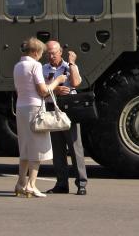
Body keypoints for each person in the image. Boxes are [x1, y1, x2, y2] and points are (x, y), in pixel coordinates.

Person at [13, 37, 67, 198]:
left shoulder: (17, 66)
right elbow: (43, 91)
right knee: (37, 149)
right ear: (36, 52)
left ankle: (20, 183)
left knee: (24, 148)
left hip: (20, 107)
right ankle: (31, 185)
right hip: (34, 108)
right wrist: (58, 80)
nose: (41, 57)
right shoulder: (35, 65)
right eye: (41, 53)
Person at [41, 40, 87, 195]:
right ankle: (61, 183)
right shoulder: (43, 69)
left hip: (69, 109)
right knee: (57, 148)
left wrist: (73, 63)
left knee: (75, 147)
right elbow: (41, 92)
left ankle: (81, 183)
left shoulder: (68, 66)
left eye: (54, 53)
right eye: (48, 53)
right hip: (52, 109)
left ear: (60, 52)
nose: (51, 56)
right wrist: (55, 90)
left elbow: (76, 83)